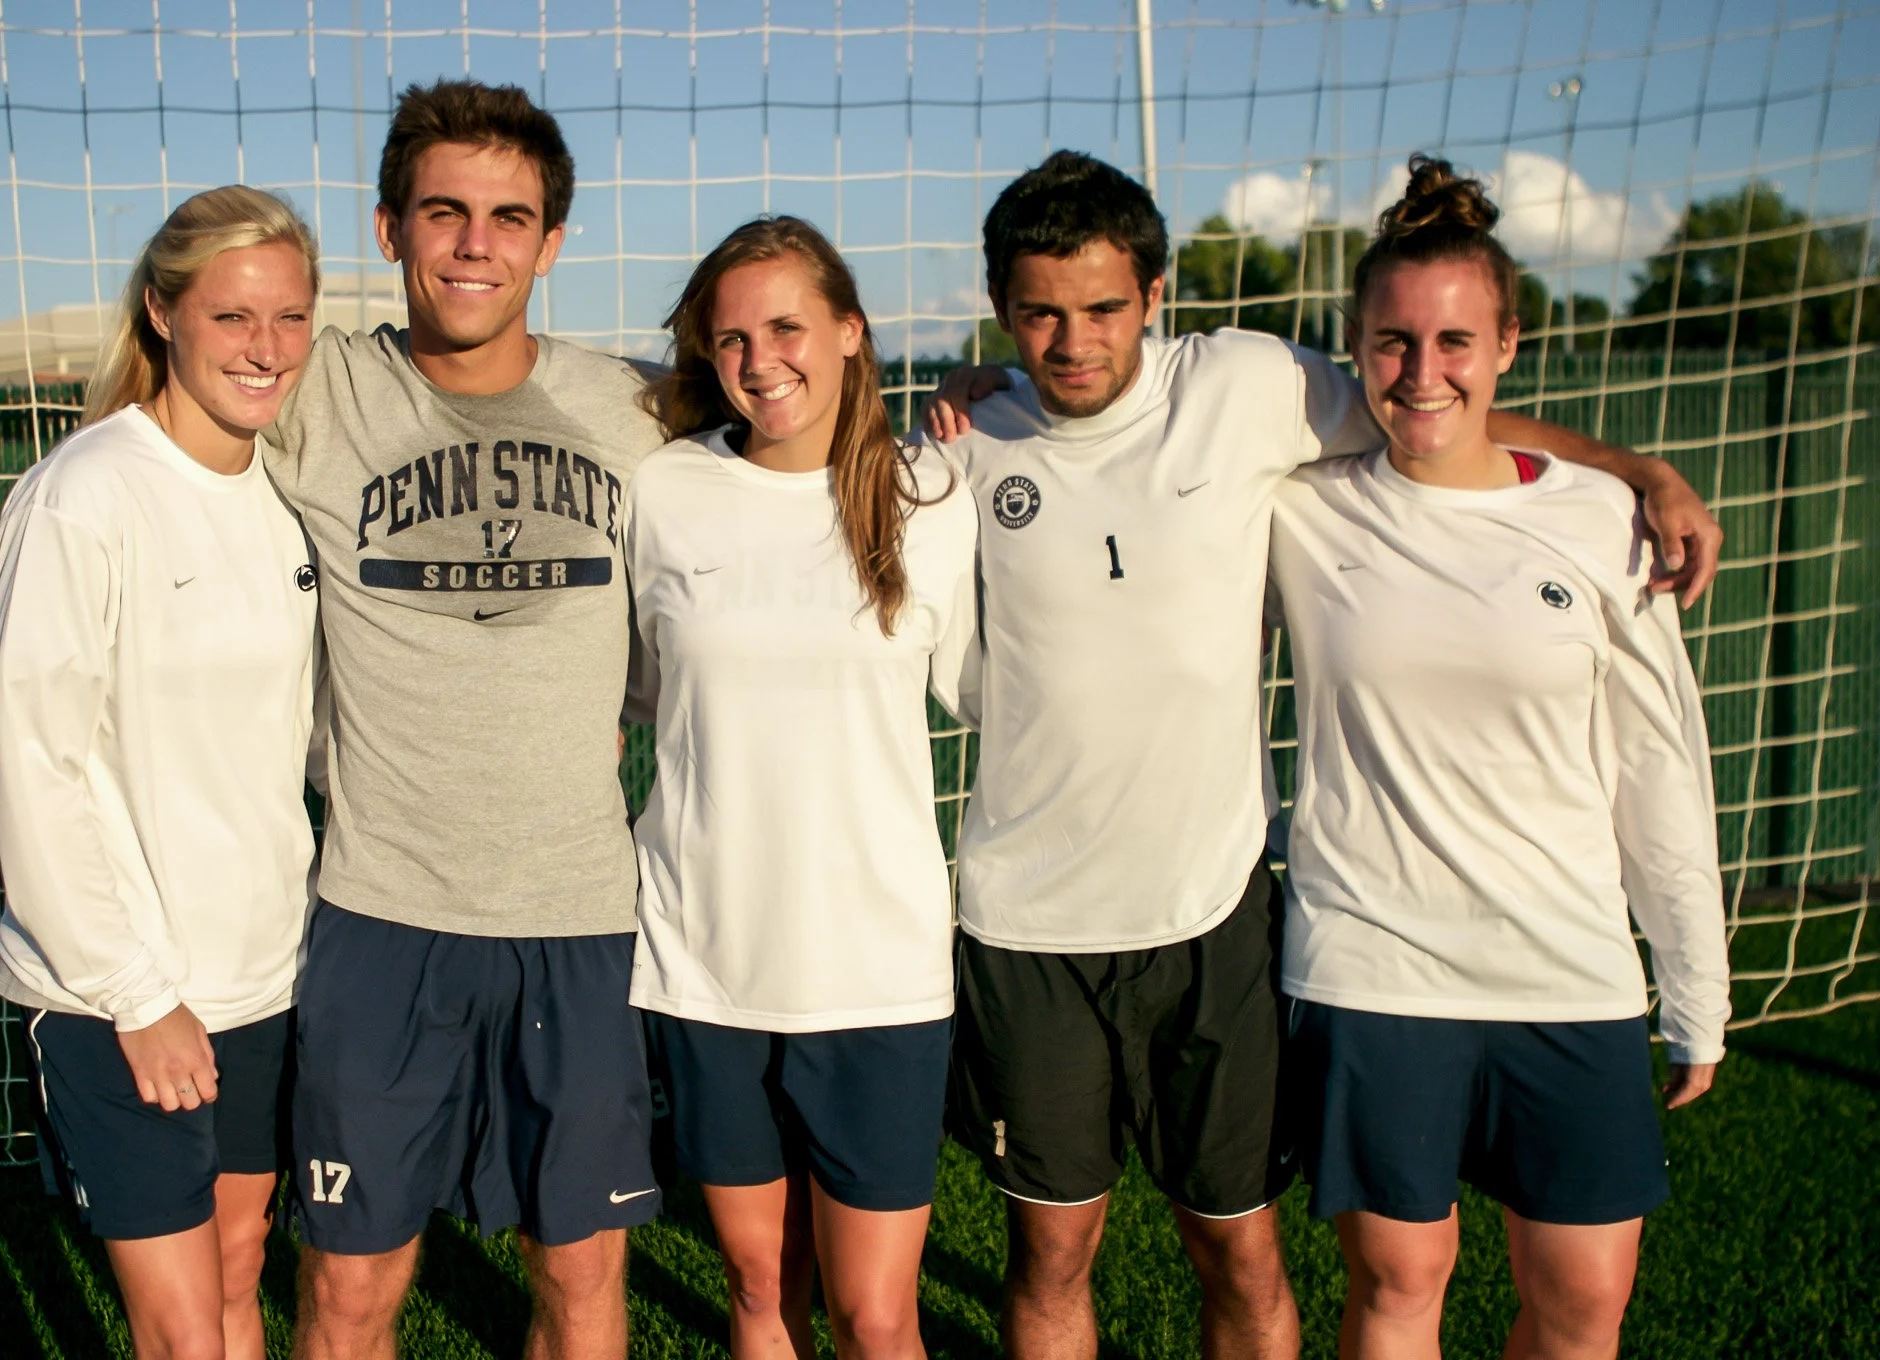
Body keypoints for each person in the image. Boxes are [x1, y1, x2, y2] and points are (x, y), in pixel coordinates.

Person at [920, 150, 1723, 1360]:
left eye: (1099, 307)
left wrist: (1636, 468)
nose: (1070, 339)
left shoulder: (1249, 386)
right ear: (999, 309)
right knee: (1052, 1251)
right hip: (1031, 923)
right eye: (1037, 311)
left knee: (1240, 1251)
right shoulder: (968, 437)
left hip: (1214, 919)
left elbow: (1444, 417)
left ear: (1153, 295)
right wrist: (959, 401)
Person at [1267, 155, 1729, 1360]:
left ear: (1508, 344)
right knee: (1396, 1286)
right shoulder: (1298, 505)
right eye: (1391, 342)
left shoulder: (1597, 521)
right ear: (1352, 345)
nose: (1422, 372)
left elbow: (1654, 765)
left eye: (1454, 341)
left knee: (1581, 1302)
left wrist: (1695, 992)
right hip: (1374, 965)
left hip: (1565, 971)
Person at [258, 81, 669, 1360]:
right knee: (345, 1295)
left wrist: (974, 386)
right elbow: (135, 433)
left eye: (509, 218)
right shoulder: (313, 394)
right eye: (444, 212)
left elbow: (809, 397)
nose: (475, 244)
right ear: (388, 230)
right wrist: (21, 597)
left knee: (582, 1286)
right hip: (382, 917)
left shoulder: (640, 408)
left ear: (551, 245)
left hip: (580, 919)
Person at [626, 216, 978, 1359]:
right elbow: (640, 689)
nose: (760, 356)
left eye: (785, 325)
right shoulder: (665, 491)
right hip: (704, 959)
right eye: (729, 336)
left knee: (875, 1314)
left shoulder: (931, 495)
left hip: (875, 971)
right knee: (758, 1288)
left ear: (848, 331)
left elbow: (984, 692)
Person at [0, 185, 323, 1360]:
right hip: (121, 988)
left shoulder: (282, 500)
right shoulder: (84, 494)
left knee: (238, 1271)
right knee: (182, 1332)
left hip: (262, 972)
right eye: (233, 317)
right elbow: (35, 764)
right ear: (162, 313)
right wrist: (135, 993)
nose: (265, 347)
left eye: (288, 316)